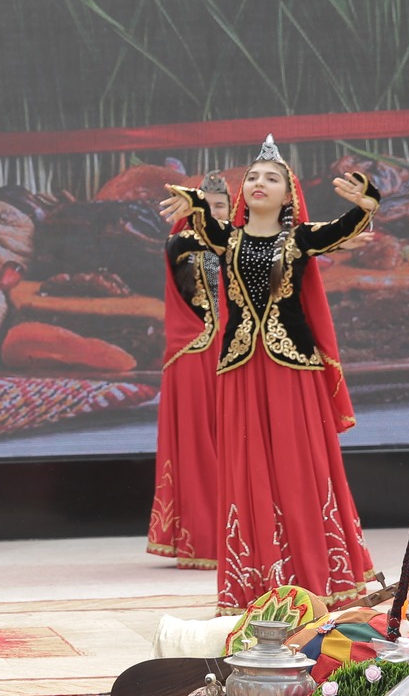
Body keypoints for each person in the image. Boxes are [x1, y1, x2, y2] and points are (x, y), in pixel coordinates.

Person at [160, 137, 383, 614]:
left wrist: (368, 203)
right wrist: (194, 199)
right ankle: (256, 583)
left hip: (292, 370)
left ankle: (318, 576)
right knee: (246, 469)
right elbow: (202, 218)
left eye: (273, 178)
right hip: (240, 369)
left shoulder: (300, 239)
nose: (260, 183)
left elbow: (345, 227)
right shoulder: (228, 239)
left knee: (300, 467)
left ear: (289, 195)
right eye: (254, 177)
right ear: (244, 194)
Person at [148, 176, 229, 570]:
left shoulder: (238, 243)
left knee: (233, 444)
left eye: (220, 207)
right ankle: (201, 539)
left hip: (232, 353)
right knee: (198, 447)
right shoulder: (180, 245)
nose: (211, 213)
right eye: (206, 205)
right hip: (193, 353)